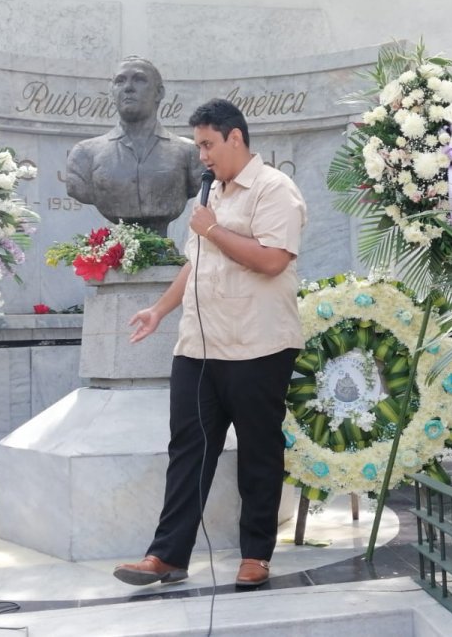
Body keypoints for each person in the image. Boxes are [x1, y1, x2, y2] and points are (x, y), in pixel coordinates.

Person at [112, 98, 307, 588]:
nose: (201, 155)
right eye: (198, 145)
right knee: (188, 452)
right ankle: (167, 556)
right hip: (199, 347)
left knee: (259, 452)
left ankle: (256, 555)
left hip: (258, 346)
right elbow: (196, 262)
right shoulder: (210, 194)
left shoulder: (274, 189)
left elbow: (272, 261)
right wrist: (159, 310)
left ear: (234, 137)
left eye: (207, 144)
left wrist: (214, 230)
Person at [65, 56, 203, 236]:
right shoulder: (84, 154)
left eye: (139, 79)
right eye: (120, 81)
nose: (128, 87)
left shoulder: (190, 152)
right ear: (112, 92)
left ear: (159, 92)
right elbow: (78, 189)